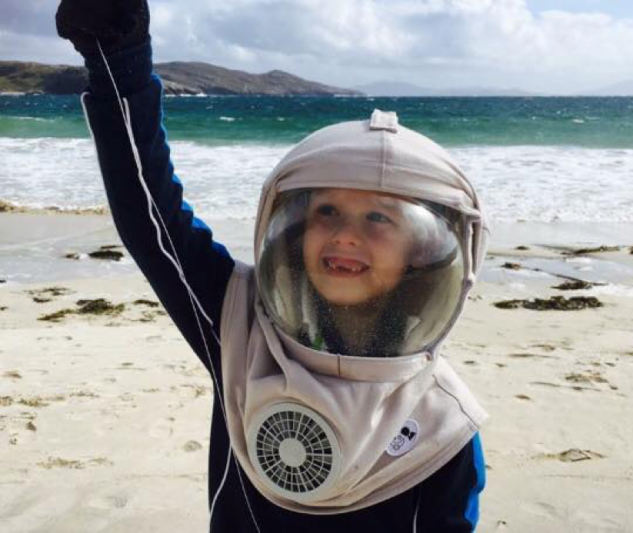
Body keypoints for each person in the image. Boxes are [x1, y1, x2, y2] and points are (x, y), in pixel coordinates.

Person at [56, 1, 490, 531]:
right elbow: (151, 220)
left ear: (423, 253)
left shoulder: (443, 427)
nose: (346, 233)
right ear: (293, 227)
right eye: (325, 210)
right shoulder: (239, 325)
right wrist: (117, 57)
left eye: (379, 218)